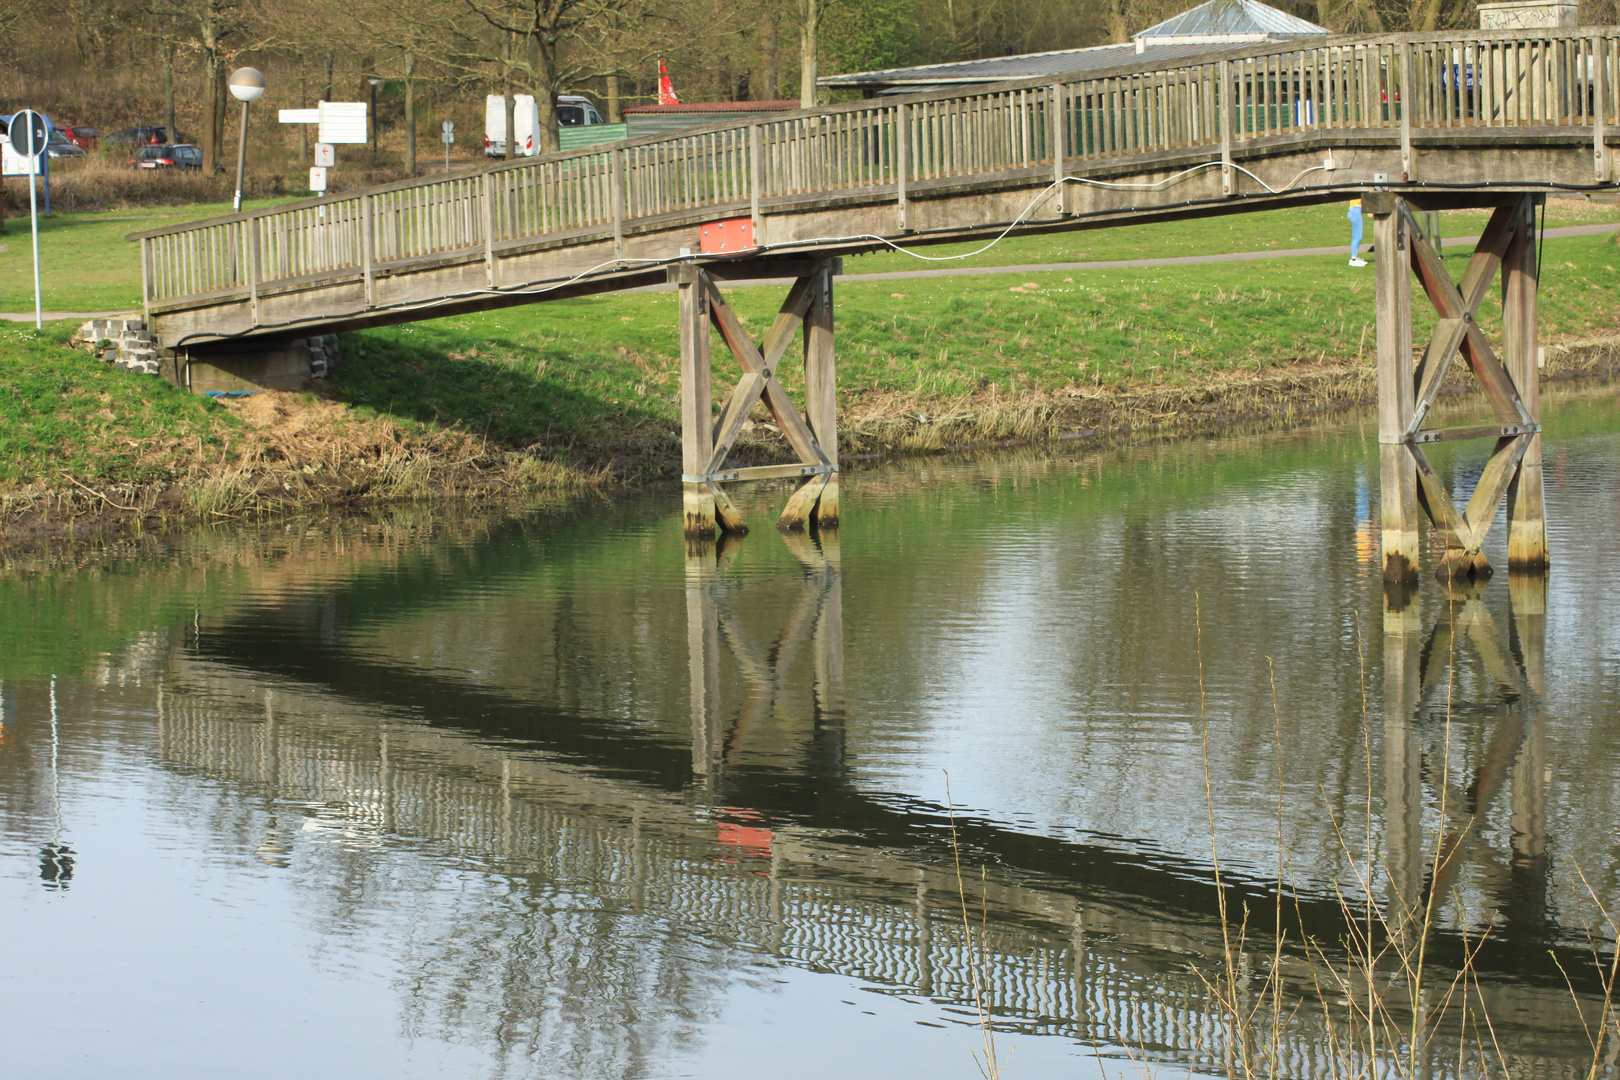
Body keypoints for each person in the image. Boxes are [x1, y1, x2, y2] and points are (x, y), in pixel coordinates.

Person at [1348, 197, 1367, 267]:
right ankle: (1354, 259)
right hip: (1356, 210)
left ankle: (1355, 257)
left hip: (1356, 210)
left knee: (1357, 235)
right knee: (1358, 236)